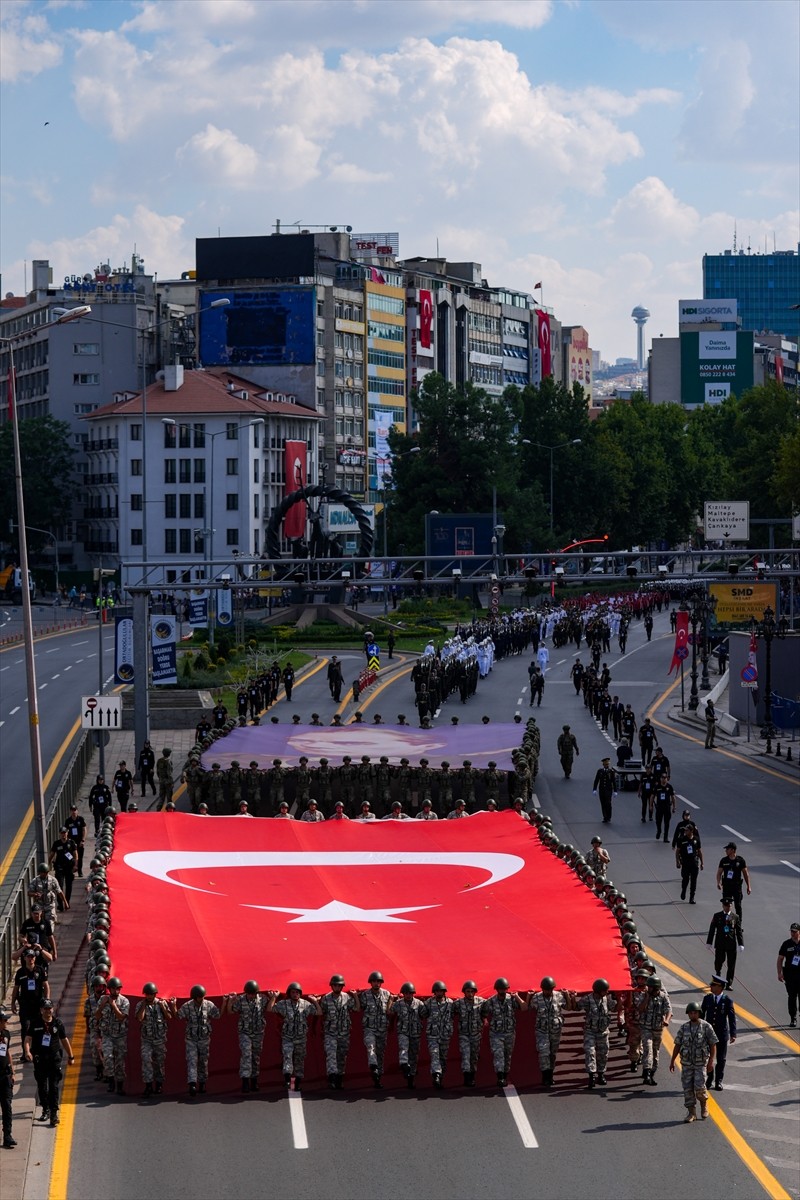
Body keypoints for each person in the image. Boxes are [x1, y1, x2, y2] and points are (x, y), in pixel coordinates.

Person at [24, 999, 74, 1127]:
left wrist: (71, 1056)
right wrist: (27, 1052)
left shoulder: (58, 1023)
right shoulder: (35, 1023)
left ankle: (53, 1114)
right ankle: (45, 1109)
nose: (48, 1011)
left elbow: (64, 1040)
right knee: (42, 1087)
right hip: (40, 1060)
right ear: (41, 1010)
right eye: (45, 1008)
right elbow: (28, 1039)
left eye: (50, 1008)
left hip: (54, 1060)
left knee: (54, 1087)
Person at [669, 1001, 718, 1122]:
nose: (693, 1015)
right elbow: (677, 1044)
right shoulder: (684, 1027)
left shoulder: (706, 1027)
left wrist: (711, 1061)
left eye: (695, 1013)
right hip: (686, 1064)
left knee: (700, 1087)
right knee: (687, 1089)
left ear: (699, 1013)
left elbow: (713, 1044)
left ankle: (703, 1105)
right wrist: (672, 1060)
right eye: (690, 1013)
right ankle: (691, 1113)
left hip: (700, 1063)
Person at [267, 983, 321, 1091]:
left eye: (297, 992)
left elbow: (319, 1012)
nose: (295, 994)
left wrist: (315, 1001)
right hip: (288, 1037)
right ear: (289, 994)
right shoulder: (284, 1004)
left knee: (299, 1061)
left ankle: (297, 1083)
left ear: (300, 994)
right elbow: (270, 1009)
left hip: (301, 1039)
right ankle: (287, 1080)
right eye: (293, 992)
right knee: (287, 1057)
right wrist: (273, 997)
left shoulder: (305, 1004)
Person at [482, 977, 527, 1088]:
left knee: (507, 1056)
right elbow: (483, 1012)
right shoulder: (491, 1001)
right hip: (496, 1034)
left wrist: (517, 997)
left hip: (509, 1033)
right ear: (497, 989)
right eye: (500, 989)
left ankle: (505, 1075)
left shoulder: (511, 999)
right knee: (498, 1054)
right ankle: (500, 1077)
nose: (502, 991)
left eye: (504, 989)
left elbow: (524, 1007)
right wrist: (485, 1020)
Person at [530, 977, 574, 1088]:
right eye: (546, 989)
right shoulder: (537, 997)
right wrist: (528, 996)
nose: (548, 992)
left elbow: (568, 1008)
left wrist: (568, 996)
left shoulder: (559, 996)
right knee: (544, 1052)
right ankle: (545, 1076)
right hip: (542, 1030)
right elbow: (527, 1007)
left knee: (552, 1053)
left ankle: (550, 1074)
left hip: (555, 1030)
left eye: (549, 989)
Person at [226, 981, 269, 1093]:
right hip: (245, 1032)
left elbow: (269, 1008)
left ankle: (254, 1080)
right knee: (246, 1054)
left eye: (253, 993)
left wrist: (274, 997)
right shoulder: (240, 1000)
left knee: (255, 1056)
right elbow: (230, 1011)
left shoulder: (263, 999)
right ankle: (245, 1081)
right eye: (249, 993)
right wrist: (230, 1001)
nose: (250, 996)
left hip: (258, 1032)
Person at [178, 985, 221, 1096]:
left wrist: (226, 1002)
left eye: (202, 996)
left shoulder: (209, 1005)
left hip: (204, 1039)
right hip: (191, 1039)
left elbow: (217, 1015)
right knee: (192, 1061)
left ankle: (202, 1083)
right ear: (194, 997)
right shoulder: (187, 1006)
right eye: (199, 997)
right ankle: (192, 1083)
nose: (201, 999)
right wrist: (173, 1005)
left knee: (203, 1061)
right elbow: (179, 1016)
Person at [320, 975, 359, 1090]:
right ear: (331, 986)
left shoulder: (347, 998)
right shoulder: (326, 999)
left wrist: (355, 996)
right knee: (331, 1054)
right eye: (335, 985)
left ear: (342, 986)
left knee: (341, 1057)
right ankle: (331, 1078)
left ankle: (339, 1078)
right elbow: (321, 1012)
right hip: (330, 1033)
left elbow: (356, 1009)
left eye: (339, 985)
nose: (337, 987)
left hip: (344, 1033)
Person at [577, 978, 618, 1088]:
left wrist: (620, 999)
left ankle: (601, 1074)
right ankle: (591, 1076)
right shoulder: (587, 999)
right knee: (590, 1052)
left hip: (603, 1032)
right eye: (605, 990)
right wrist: (570, 997)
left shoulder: (607, 999)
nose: (607, 992)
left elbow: (615, 1009)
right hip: (590, 1032)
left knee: (603, 1054)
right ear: (599, 990)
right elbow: (576, 1007)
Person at [136, 983, 174, 1097]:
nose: (149, 996)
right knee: (146, 1060)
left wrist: (163, 1007)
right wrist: (143, 1006)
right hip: (146, 1040)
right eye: (147, 994)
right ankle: (148, 1085)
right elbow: (139, 1018)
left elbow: (169, 1017)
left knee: (159, 1063)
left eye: (151, 994)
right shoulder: (141, 1004)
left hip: (159, 1040)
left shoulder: (161, 1003)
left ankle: (159, 1084)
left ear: (155, 994)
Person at [700, 974, 736, 1090]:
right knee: (708, 1057)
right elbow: (701, 1015)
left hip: (721, 1034)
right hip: (709, 1034)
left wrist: (733, 1034)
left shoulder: (727, 1000)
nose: (711, 987)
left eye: (713, 985)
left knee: (721, 1059)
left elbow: (731, 1018)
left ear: (720, 987)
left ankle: (719, 1081)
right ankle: (709, 1080)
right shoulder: (707, 998)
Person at [96, 976, 130, 1094]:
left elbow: (121, 1017)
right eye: (113, 989)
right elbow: (97, 1016)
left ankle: (120, 1085)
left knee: (120, 1061)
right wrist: (103, 1004)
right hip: (107, 1035)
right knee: (108, 1058)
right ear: (109, 989)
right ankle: (111, 1081)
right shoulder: (103, 999)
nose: (116, 991)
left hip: (120, 1036)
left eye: (118, 989)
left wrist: (113, 1005)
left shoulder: (124, 1001)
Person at [360, 971, 394, 1087]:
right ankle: (373, 1066)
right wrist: (355, 995)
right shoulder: (365, 995)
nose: (376, 983)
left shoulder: (387, 994)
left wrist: (392, 1001)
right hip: (369, 1028)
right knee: (371, 1047)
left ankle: (377, 1077)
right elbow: (358, 1007)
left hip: (382, 1029)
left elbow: (389, 1011)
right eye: (374, 981)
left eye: (378, 981)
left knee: (380, 1053)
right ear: (370, 983)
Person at [637, 975, 672, 1086]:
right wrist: (647, 998)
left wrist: (666, 1020)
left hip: (657, 1028)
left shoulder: (663, 997)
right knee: (648, 1048)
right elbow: (640, 1009)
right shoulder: (644, 995)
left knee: (655, 1051)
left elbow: (669, 1010)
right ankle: (647, 1072)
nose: (648, 988)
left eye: (650, 987)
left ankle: (651, 1073)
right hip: (646, 1027)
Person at [11, 949, 50, 1046]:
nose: (30, 959)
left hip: (38, 1004)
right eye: (28, 957)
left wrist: (47, 1000)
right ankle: (25, 1050)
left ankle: (36, 1048)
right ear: (24, 958)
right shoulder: (20, 972)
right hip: (25, 1004)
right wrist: (13, 1003)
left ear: (35, 958)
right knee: (25, 1027)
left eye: (32, 957)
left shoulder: (40, 970)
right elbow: (16, 989)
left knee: (39, 1027)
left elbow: (46, 986)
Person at [394, 982, 426, 1087]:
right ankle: (404, 1065)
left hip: (415, 1033)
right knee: (403, 1048)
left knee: (414, 1055)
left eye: (410, 993)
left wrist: (425, 1004)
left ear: (413, 993)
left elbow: (425, 1014)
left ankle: (411, 1076)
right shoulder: (398, 1003)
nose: (408, 995)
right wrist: (391, 1000)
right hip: (403, 1031)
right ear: (403, 993)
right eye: (406, 993)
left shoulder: (419, 1003)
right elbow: (390, 1011)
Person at [707, 898, 743, 988]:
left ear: (731, 906)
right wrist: (709, 942)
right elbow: (712, 929)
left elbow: (738, 931)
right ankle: (717, 976)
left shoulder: (735, 917)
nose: (727, 907)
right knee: (718, 962)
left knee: (731, 965)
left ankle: (728, 983)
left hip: (731, 944)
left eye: (729, 906)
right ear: (723, 906)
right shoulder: (717, 916)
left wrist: (741, 944)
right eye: (726, 906)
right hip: (720, 943)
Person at [454, 980, 485, 1087]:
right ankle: (466, 1077)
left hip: (476, 1034)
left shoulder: (481, 1001)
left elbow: (490, 1006)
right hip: (464, 1035)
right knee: (465, 1055)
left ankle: (472, 1076)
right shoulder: (458, 1003)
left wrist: (484, 1018)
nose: (470, 994)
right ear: (464, 992)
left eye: (472, 991)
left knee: (474, 1057)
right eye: (468, 991)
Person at [425, 982, 454, 1088]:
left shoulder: (450, 1003)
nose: (439, 993)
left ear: (444, 992)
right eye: (437, 991)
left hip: (445, 1035)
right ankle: (436, 1075)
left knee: (443, 1058)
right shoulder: (429, 1003)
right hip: (433, 1035)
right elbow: (422, 1012)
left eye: (441, 991)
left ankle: (440, 1077)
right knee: (435, 1054)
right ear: (434, 992)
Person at [716, 842, 751, 924]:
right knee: (726, 904)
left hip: (736, 887)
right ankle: (726, 923)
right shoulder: (724, 860)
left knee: (738, 906)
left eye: (727, 849)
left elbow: (745, 874)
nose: (726, 851)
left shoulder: (740, 860)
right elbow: (719, 873)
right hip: (727, 886)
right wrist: (718, 882)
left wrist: (748, 886)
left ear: (733, 850)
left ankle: (738, 924)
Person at [777, 923, 800, 1027]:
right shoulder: (786, 944)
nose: (792, 933)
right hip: (790, 975)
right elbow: (780, 959)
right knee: (792, 997)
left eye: (795, 932)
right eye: (791, 931)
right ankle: (793, 1018)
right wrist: (779, 973)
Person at [48, 827, 78, 907]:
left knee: (69, 886)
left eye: (64, 833)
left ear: (67, 833)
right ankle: (60, 904)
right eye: (62, 833)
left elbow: (75, 855)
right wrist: (48, 864)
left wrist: (75, 865)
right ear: (59, 834)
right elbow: (52, 854)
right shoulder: (56, 843)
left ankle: (67, 902)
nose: (63, 834)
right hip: (59, 867)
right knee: (59, 886)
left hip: (69, 867)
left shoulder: (71, 842)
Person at [675, 820, 703, 903]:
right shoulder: (681, 839)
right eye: (685, 830)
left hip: (694, 862)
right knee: (685, 879)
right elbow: (677, 851)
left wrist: (702, 863)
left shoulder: (696, 839)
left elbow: (699, 851)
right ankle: (683, 890)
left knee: (694, 881)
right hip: (685, 862)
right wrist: (677, 861)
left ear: (691, 831)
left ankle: (692, 897)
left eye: (687, 830)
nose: (685, 831)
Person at [0, 1009, 16, 1147]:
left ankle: (7, 1136)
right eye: (4, 1020)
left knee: (7, 1106)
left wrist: (12, 1072)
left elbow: (7, 1052)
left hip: (5, 1076)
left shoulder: (6, 1034)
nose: (7, 1022)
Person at [592, 757, 617, 824]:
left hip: (608, 790)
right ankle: (605, 817)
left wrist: (615, 791)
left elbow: (613, 781)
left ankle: (609, 817)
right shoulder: (600, 771)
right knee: (603, 804)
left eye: (607, 764)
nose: (607, 765)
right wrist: (594, 789)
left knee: (608, 803)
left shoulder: (611, 772)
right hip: (602, 790)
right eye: (605, 764)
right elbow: (596, 780)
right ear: (603, 764)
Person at [65, 803, 87, 875]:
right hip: (71, 842)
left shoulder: (80, 819)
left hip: (79, 841)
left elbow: (84, 830)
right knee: (71, 856)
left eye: (75, 810)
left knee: (80, 857)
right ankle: (72, 870)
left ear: (77, 811)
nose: (73, 812)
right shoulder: (68, 821)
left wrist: (83, 840)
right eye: (72, 810)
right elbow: (66, 832)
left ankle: (80, 870)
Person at [653, 778, 676, 843]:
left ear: (667, 779)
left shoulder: (669, 787)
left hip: (667, 808)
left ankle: (665, 837)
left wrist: (674, 807)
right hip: (659, 807)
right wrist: (651, 806)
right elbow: (652, 796)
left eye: (665, 778)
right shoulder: (657, 787)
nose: (664, 779)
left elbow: (673, 797)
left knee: (667, 823)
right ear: (660, 779)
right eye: (662, 778)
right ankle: (659, 831)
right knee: (658, 821)